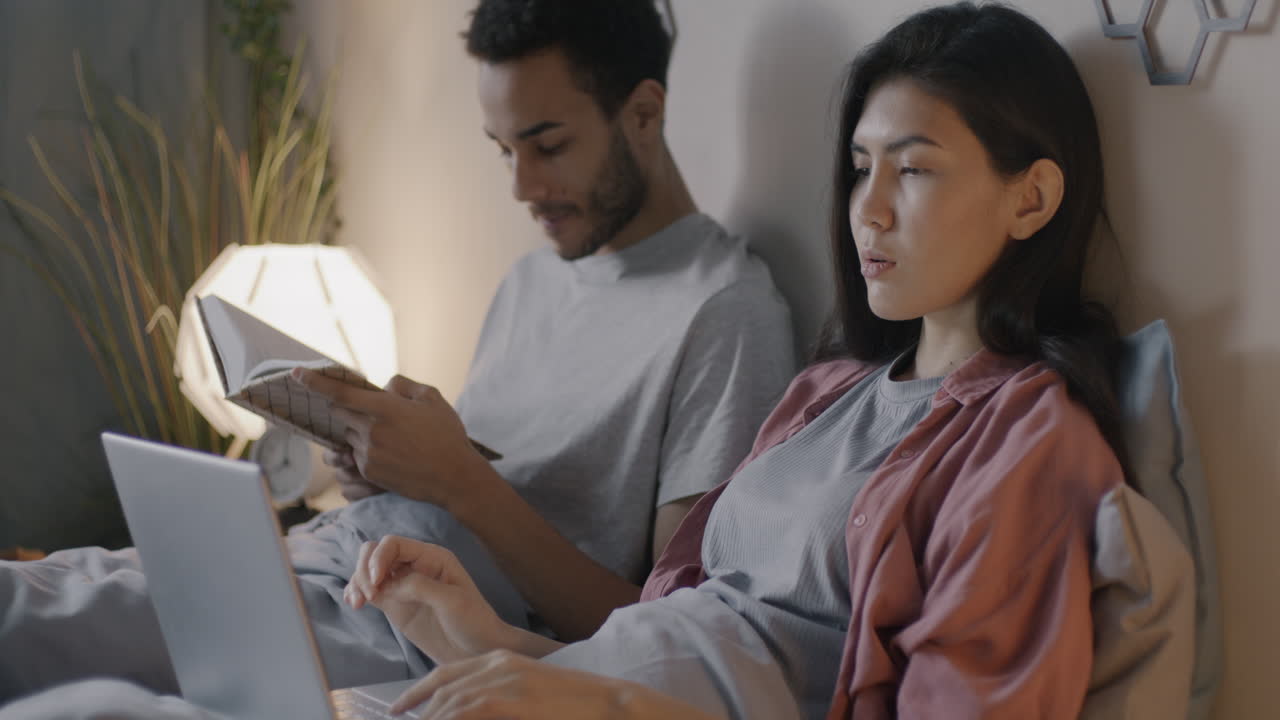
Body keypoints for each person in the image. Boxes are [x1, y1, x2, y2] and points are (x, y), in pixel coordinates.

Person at [334, 3, 1141, 719]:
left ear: (1031, 198)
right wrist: (488, 642)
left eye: (915, 169)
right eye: (862, 168)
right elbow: (691, 640)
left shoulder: (1028, 442)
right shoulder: (826, 393)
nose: (869, 208)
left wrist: (605, 701)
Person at [0, 0, 795, 702]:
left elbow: (667, 632)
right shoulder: (534, 280)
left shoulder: (724, 311)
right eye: (502, 149)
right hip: (330, 552)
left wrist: (459, 482)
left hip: (410, 625)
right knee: (26, 589)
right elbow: (484, 496)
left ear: (644, 114)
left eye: (548, 145)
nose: (521, 186)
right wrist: (383, 468)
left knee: (24, 624)